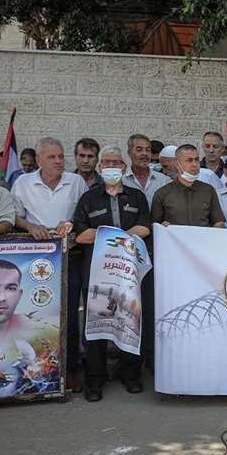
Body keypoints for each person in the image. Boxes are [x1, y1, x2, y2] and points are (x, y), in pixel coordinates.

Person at [73, 145, 152, 402]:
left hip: (129, 270)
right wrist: (118, 237)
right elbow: (81, 235)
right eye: (106, 163)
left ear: (123, 167)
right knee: (97, 320)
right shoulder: (88, 198)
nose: (110, 167)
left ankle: (130, 375)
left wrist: (115, 236)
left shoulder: (136, 197)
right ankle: (95, 379)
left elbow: (144, 227)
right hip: (98, 270)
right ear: (100, 167)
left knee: (130, 317)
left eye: (115, 163)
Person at [10, 137, 88, 392]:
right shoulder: (23, 183)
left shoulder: (76, 182)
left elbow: (84, 214)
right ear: (39, 160)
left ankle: (69, 368)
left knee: (69, 314)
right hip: (35, 260)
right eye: (52, 157)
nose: (58, 161)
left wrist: (72, 224)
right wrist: (30, 226)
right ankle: (38, 368)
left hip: (70, 256)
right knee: (38, 314)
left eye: (61, 156)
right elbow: (14, 216)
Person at [151, 144, 226, 228]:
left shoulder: (208, 190)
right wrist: (162, 227)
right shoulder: (161, 194)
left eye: (196, 160)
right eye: (189, 160)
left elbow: (218, 223)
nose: (195, 164)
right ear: (177, 164)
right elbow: (155, 226)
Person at [122, 134, 171, 206]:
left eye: (148, 150)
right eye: (139, 150)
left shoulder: (164, 181)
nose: (145, 153)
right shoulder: (122, 180)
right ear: (130, 153)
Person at [159, 145, 224, 191]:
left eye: (165, 166)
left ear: (176, 163)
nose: (164, 171)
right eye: (189, 160)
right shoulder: (164, 183)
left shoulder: (207, 175)